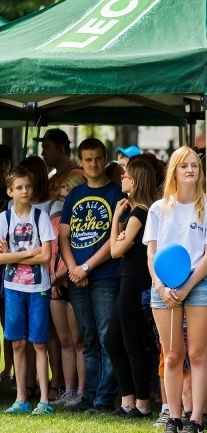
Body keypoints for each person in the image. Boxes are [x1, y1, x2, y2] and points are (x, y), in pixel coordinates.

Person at [143, 146, 207, 433]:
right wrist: (162, 286)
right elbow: (151, 254)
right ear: (174, 171)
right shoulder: (158, 209)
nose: (191, 169)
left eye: (195, 165)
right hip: (163, 284)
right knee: (173, 354)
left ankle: (196, 419)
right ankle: (174, 417)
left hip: (199, 282)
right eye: (184, 165)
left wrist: (188, 286)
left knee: (198, 354)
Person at [59, 138, 125, 414]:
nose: (93, 163)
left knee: (106, 336)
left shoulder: (116, 193)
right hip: (76, 277)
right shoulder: (74, 195)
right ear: (81, 162)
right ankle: (91, 394)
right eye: (87, 159)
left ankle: (105, 398)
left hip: (106, 275)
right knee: (88, 339)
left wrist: (86, 267)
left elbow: (117, 239)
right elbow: (64, 236)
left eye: (98, 158)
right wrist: (75, 268)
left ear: (105, 159)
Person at [0, 166, 57, 414]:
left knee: (40, 342)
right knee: (17, 343)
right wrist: (28, 252)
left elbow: (46, 256)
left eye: (28, 187)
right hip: (13, 288)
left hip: (38, 288)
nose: (25, 191)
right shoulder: (3, 219)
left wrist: (13, 255)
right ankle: (20, 398)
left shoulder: (40, 217)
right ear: (9, 191)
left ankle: (44, 399)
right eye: (20, 187)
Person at [105, 158, 159, 419]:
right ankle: (128, 400)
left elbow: (115, 250)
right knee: (113, 339)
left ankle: (142, 403)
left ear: (134, 180)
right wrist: (118, 218)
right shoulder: (137, 212)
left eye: (125, 174)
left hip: (134, 280)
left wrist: (116, 217)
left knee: (131, 341)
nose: (122, 177)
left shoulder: (139, 213)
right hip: (127, 277)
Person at [48, 174, 87, 408]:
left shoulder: (80, 219)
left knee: (78, 341)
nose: (62, 198)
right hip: (54, 287)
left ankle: (82, 390)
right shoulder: (53, 218)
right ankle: (69, 389)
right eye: (61, 195)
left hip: (69, 282)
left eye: (66, 194)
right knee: (64, 340)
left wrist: (57, 277)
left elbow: (72, 253)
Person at [35, 128, 85, 201]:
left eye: (47, 147)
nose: (42, 153)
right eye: (43, 148)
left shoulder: (77, 176)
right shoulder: (52, 180)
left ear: (61, 148)